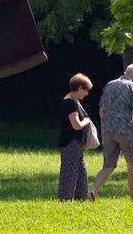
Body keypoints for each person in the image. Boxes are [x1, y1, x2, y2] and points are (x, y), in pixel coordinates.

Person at [90, 64, 133, 201]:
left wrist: (106, 125)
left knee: (108, 165)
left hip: (107, 131)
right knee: (132, 165)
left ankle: (93, 192)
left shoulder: (109, 85)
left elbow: (101, 110)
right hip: (126, 131)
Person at [57, 72, 94, 202]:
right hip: (70, 142)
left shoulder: (75, 101)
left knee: (81, 171)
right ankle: (65, 200)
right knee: (69, 172)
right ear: (79, 88)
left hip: (77, 143)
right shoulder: (70, 103)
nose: (87, 94)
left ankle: (81, 198)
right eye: (86, 90)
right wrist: (87, 121)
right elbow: (76, 125)